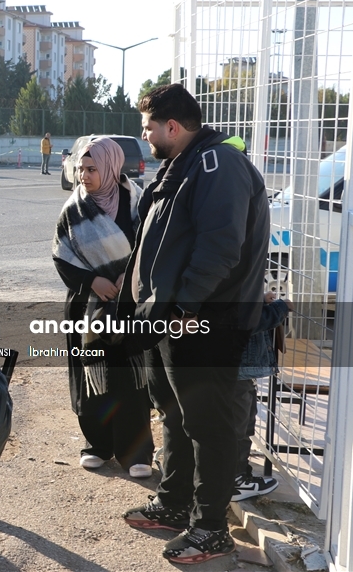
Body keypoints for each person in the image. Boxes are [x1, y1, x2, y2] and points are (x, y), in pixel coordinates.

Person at [119, 84, 269, 565]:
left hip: (204, 322)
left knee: (209, 426)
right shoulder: (182, 166)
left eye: (147, 128)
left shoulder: (216, 166)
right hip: (172, 321)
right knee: (177, 415)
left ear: (173, 127)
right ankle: (174, 502)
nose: (143, 137)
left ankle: (210, 529)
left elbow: (220, 249)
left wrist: (182, 310)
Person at [53, 138, 154, 479]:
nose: (84, 175)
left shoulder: (138, 201)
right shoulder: (73, 209)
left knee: (130, 376)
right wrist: (92, 282)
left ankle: (136, 452)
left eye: (92, 169)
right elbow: (60, 255)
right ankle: (97, 445)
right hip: (88, 306)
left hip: (128, 303)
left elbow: (149, 245)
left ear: (111, 167)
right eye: (80, 168)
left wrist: (128, 277)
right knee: (91, 376)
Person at [231, 291, 290, 502]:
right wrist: (280, 308)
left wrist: (258, 300)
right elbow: (247, 321)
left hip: (233, 369)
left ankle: (236, 477)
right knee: (238, 426)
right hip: (235, 369)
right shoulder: (231, 268)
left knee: (241, 424)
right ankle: (235, 481)